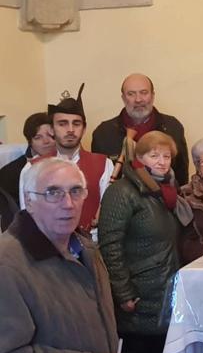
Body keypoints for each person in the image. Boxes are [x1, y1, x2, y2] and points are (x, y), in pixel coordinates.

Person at [0, 158, 121, 353]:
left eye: (75, 191)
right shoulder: (7, 264)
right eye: (53, 193)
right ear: (29, 200)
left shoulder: (87, 249)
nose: (68, 204)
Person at [99, 131, 192, 353]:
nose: (162, 162)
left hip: (164, 289)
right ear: (139, 158)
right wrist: (124, 292)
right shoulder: (122, 191)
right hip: (138, 296)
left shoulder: (167, 192)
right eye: (154, 155)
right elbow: (110, 245)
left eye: (166, 156)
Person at [20, 85, 113, 239]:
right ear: (51, 129)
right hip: (47, 249)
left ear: (84, 128)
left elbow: (109, 217)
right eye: (62, 123)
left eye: (76, 124)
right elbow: (28, 216)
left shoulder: (104, 164)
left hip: (93, 248)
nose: (70, 129)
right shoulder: (32, 168)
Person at [91, 73, 189, 184]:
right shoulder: (103, 133)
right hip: (119, 199)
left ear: (152, 95)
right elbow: (98, 181)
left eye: (144, 93)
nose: (138, 99)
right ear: (123, 98)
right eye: (131, 94)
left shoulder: (173, 127)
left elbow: (182, 178)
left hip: (164, 200)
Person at [0, 112, 54, 203]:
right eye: (38, 137)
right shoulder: (9, 174)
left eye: (51, 136)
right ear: (30, 142)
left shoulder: (68, 162)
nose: (46, 141)